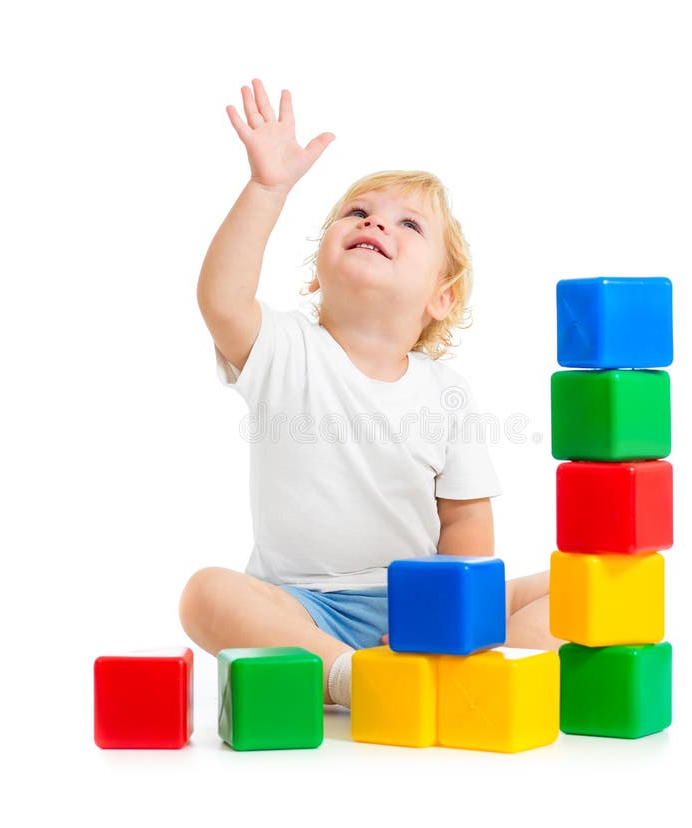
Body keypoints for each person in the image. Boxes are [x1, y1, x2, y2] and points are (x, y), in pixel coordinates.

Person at [179, 79, 561, 709]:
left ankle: (452, 673)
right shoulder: (286, 350)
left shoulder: (446, 393)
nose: (375, 221)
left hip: (417, 607)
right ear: (317, 271)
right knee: (205, 594)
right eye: (357, 214)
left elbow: (466, 519)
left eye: (408, 224)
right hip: (302, 609)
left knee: (576, 588)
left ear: (441, 296)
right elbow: (221, 299)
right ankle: (353, 678)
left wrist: (447, 619)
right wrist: (267, 189)